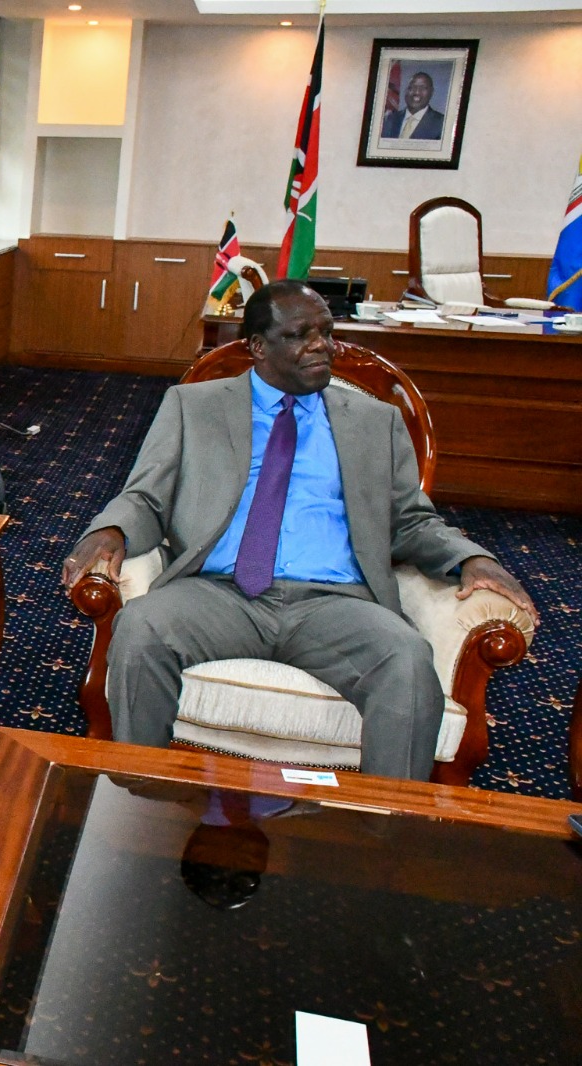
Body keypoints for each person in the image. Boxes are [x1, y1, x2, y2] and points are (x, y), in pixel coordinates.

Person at [60, 280, 537, 781]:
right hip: (219, 594)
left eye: (326, 333)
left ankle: (382, 836)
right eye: (299, 335)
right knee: (141, 629)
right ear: (259, 347)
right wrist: (111, 529)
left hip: (335, 603)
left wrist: (470, 559)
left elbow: (411, 520)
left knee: (409, 660)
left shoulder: (377, 422)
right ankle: (137, 804)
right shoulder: (192, 406)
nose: (321, 346)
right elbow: (146, 497)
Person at [380, 71, 446, 140]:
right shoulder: (388, 120)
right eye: (412, 87)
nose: (416, 92)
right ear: (406, 91)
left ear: (431, 92)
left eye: (423, 88)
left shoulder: (442, 124)